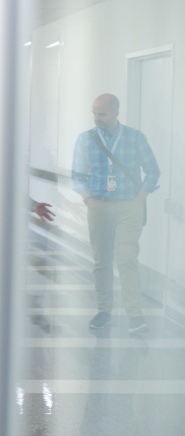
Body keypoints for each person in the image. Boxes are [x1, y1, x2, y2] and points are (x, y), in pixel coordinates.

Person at [72, 93, 160, 334]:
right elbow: (77, 176)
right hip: (98, 207)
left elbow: (153, 171)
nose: (96, 118)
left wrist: (140, 198)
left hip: (128, 208)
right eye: (94, 113)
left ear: (115, 112)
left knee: (127, 259)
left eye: (101, 113)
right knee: (102, 262)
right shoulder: (86, 139)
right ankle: (104, 311)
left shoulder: (134, 138)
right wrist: (87, 198)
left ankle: (135, 316)